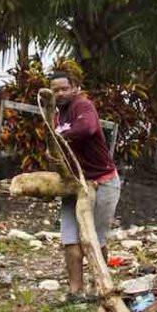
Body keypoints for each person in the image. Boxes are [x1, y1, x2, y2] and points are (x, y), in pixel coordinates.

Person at [50, 71, 121, 299]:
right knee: (70, 238)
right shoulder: (55, 116)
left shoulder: (83, 106)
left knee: (95, 239)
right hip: (74, 184)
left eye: (64, 88)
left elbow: (88, 128)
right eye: (55, 90)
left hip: (103, 182)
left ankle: (101, 287)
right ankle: (75, 292)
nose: (60, 93)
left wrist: (61, 135)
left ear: (75, 88)